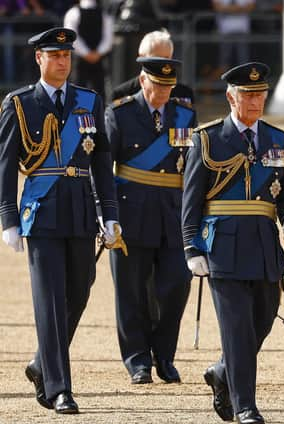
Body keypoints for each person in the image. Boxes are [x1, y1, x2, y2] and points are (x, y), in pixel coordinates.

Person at [0, 27, 121, 413]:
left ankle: (41, 363)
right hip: (42, 210)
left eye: (66, 56)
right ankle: (59, 388)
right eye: (55, 56)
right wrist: (8, 218)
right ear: (40, 59)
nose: (63, 62)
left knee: (81, 288)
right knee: (49, 301)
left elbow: (102, 162)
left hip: (81, 209)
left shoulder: (89, 100)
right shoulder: (19, 104)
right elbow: (4, 166)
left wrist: (109, 212)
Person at [182, 62, 284, 424]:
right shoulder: (208, 138)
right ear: (231, 97)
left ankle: (223, 371)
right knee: (236, 328)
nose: (255, 100)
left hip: (265, 245)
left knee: (262, 320)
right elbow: (192, 197)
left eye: (260, 94)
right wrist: (191, 246)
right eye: (248, 95)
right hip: (223, 246)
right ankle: (245, 405)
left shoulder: (278, 138)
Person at [105, 56, 196, 384]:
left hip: (172, 214)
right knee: (130, 292)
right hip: (131, 214)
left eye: (168, 86)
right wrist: (106, 214)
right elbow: (103, 170)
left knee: (176, 285)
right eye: (157, 85)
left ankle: (164, 354)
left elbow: (192, 167)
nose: (162, 92)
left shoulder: (185, 114)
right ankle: (137, 360)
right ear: (143, 81)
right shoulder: (120, 114)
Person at [111, 29, 195, 106]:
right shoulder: (122, 94)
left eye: (166, 58)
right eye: (156, 59)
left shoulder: (184, 94)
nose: (162, 64)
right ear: (142, 57)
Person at [63, 0, 115, 100]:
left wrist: (88, 53)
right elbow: (108, 39)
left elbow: (71, 37)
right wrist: (96, 53)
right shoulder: (104, 13)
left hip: (88, 59)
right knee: (96, 93)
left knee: (79, 93)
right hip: (89, 59)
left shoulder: (73, 12)